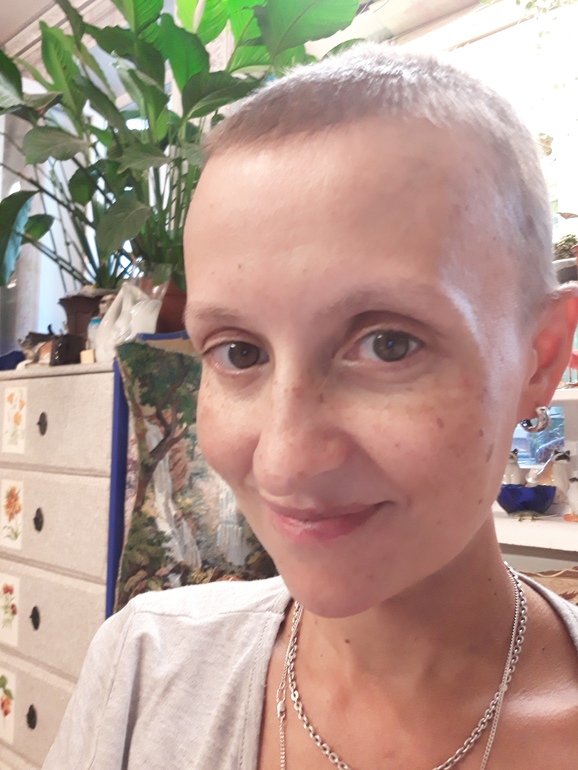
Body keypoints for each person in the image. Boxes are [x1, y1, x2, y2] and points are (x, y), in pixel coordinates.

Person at [44, 44, 578, 770]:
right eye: (240, 353)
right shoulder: (143, 671)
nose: (285, 462)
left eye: (389, 345)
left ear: (540, 358)